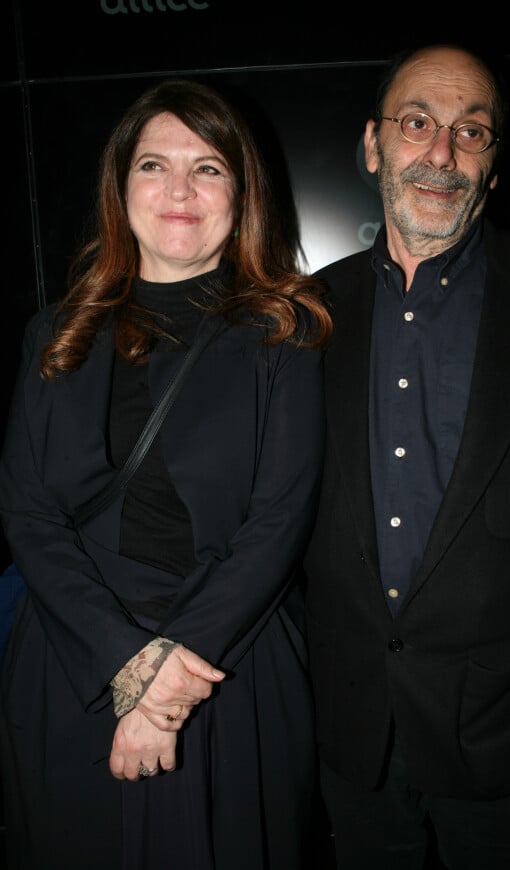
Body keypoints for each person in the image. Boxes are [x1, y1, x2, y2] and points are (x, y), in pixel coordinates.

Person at [0, 78, 332, 870]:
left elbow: (280, 520)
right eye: (154, 165)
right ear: (122, 189)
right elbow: (28, 511)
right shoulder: (58, 330)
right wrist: (126, 661)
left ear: (241, 192)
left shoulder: (285, 334)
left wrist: (172, 681)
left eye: (208, 167)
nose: (180, 189)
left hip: (227, 670)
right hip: (74, 658)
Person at [303, 42, 510, 869]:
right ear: (372, 145)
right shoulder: (300, 318)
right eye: (417, 123)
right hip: (352, 739)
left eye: (472, 132)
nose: (441, 153)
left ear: (493, 167)